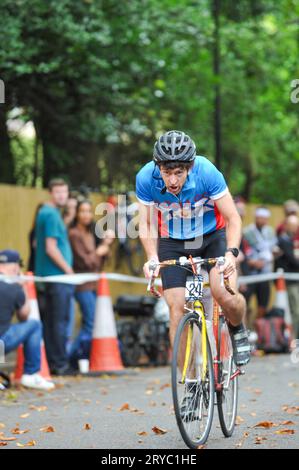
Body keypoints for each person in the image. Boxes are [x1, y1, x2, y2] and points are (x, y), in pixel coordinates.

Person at [136, 130, 250, 373]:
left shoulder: (207, 172)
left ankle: (238, 327)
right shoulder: (146, 178)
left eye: (179, 172)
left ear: (190, 167)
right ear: (158, 168)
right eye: (167, 173)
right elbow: (145, 223)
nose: (173, 180)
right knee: (177, 309)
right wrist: (151, 258)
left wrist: (231, 253)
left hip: (212, 237)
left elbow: (233, 218)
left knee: (223, 293)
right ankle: (188, 383)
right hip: (173, 240)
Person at [35, 178, 75, 376]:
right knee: (59, 321)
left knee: (52, 321)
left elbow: (38, 244)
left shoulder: (48, 213)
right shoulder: (50, 214)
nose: (62, 196)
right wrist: (68, 270)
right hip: (58, 277)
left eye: (64, 192)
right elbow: (51, 248)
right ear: (50, 193)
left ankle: (55, 362)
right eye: (58, 192)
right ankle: (59, 364)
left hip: (50, 277)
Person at [68, 200, 115, 366]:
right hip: (83, 285)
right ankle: (70, 356)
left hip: (94, 284)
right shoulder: (74, 234)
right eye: (82, 211)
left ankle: (81, 357)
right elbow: (85, 262)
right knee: (90, 323)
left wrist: (105, 245)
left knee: (92, 322)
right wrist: (101, 249)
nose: (86, 215)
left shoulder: (91, 233)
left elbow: (101, 260)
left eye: (89, 211)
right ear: (77, 214)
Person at [0, 250, 54, 390]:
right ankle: (30, 374)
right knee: (34, 325)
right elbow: (24, 315)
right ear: (15, 267)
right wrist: (23, 286)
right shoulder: (13, 288)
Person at [243, 207, 278, 318]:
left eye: (265, 218)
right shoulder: (247, 232)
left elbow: (272, 248)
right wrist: (251, 262)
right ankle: (245, 327)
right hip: (250, 273)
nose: (263, 220)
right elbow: (244, 250)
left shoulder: (270, 232)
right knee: (245, 301)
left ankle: (259, 329)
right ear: (256, 218)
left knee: (263, 302)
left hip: (265, 273)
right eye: (260, 218)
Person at [275, 215, 299, 338]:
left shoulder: (291, 239)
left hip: (294, 278)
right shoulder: (284, 239)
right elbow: (292, 260)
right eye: (293, 225)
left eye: (296, 225)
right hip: (289, 281)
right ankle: (295, 338)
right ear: (287, 225)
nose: (295, 228)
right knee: (295, 310)